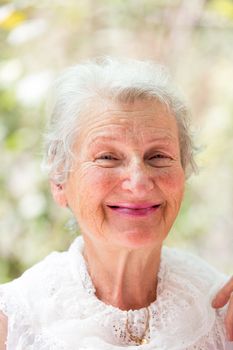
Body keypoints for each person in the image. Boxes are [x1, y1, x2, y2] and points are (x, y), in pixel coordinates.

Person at [0, 57, 233, 350]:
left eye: (158, 156)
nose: (138, 182)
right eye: (108, 158)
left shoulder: (222, 311)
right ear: (60, 183)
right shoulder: (13, 322)